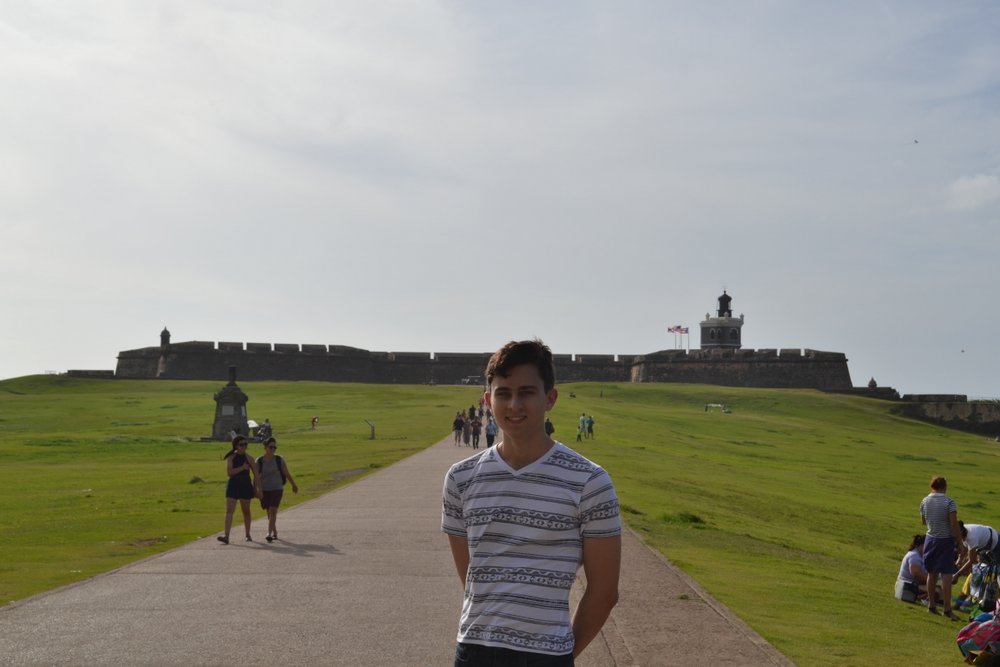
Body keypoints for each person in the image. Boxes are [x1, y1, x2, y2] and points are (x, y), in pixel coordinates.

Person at [442, 339, 621, 664]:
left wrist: (561, 654)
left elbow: (605, 593)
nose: (513, 405)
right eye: (503, 393)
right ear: (488, 400)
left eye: (526, 392)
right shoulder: (460, 479)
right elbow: (473, 579)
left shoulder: (590, 482)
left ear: (549, 398)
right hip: (473, 652)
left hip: (547, 654)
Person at [919, 475, 968, 619]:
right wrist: (960, 542)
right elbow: (954, 524)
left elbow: (923, 521)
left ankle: (931, 605)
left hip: (930, 539)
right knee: (946, 575)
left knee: (931, 574)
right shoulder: (949, 502)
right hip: (945, 540)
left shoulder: (925, 500)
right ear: (945, 487)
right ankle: (947, 610)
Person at [255, 437, 299, 543]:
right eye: (271, 447)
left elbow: (286, 473)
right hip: (265, 489)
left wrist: (293, 484)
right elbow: (256, 477)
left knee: (273, 510)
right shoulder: (259, 461)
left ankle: (268, 533)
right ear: (265, 448)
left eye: (275, 447)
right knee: (268, 511)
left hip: (277, 488)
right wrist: (256, 490)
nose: (273, 449)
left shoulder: (279, 459)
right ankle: (274, 532)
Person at [218, 435, 258, 544]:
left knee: (246, 511)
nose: (244, 447)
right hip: (233, 484)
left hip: (245, 484)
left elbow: (256, 475)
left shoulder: (249, 458)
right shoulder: (231, 457)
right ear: (236, 446)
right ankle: (226, 535)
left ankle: (248, 534)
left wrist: (257, 489)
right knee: (229, 510)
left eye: (246, 444)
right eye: (241, 445)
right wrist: (242, 468)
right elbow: (229, 472)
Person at [896, 534, 930, 601]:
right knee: (935, 590)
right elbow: (916, 574)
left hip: (913, 585)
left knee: (939, 590)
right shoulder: (914, 556)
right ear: (921, 545)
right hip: (906, 586)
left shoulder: (921, 557)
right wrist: (932, 580)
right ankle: (920, 598)